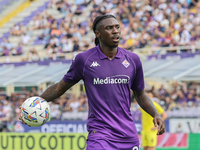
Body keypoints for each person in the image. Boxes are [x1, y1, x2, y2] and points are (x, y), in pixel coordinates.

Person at [20, 14, 165, 150]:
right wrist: (33, 105)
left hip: (128, 135)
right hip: (100, 135)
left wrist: (156, 114)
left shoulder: (133, 60)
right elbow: (59, 88)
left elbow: (140, 94)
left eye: (117, 27)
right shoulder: (84, 60)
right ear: (98, 33)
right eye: (109, 28)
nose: (115, 31)